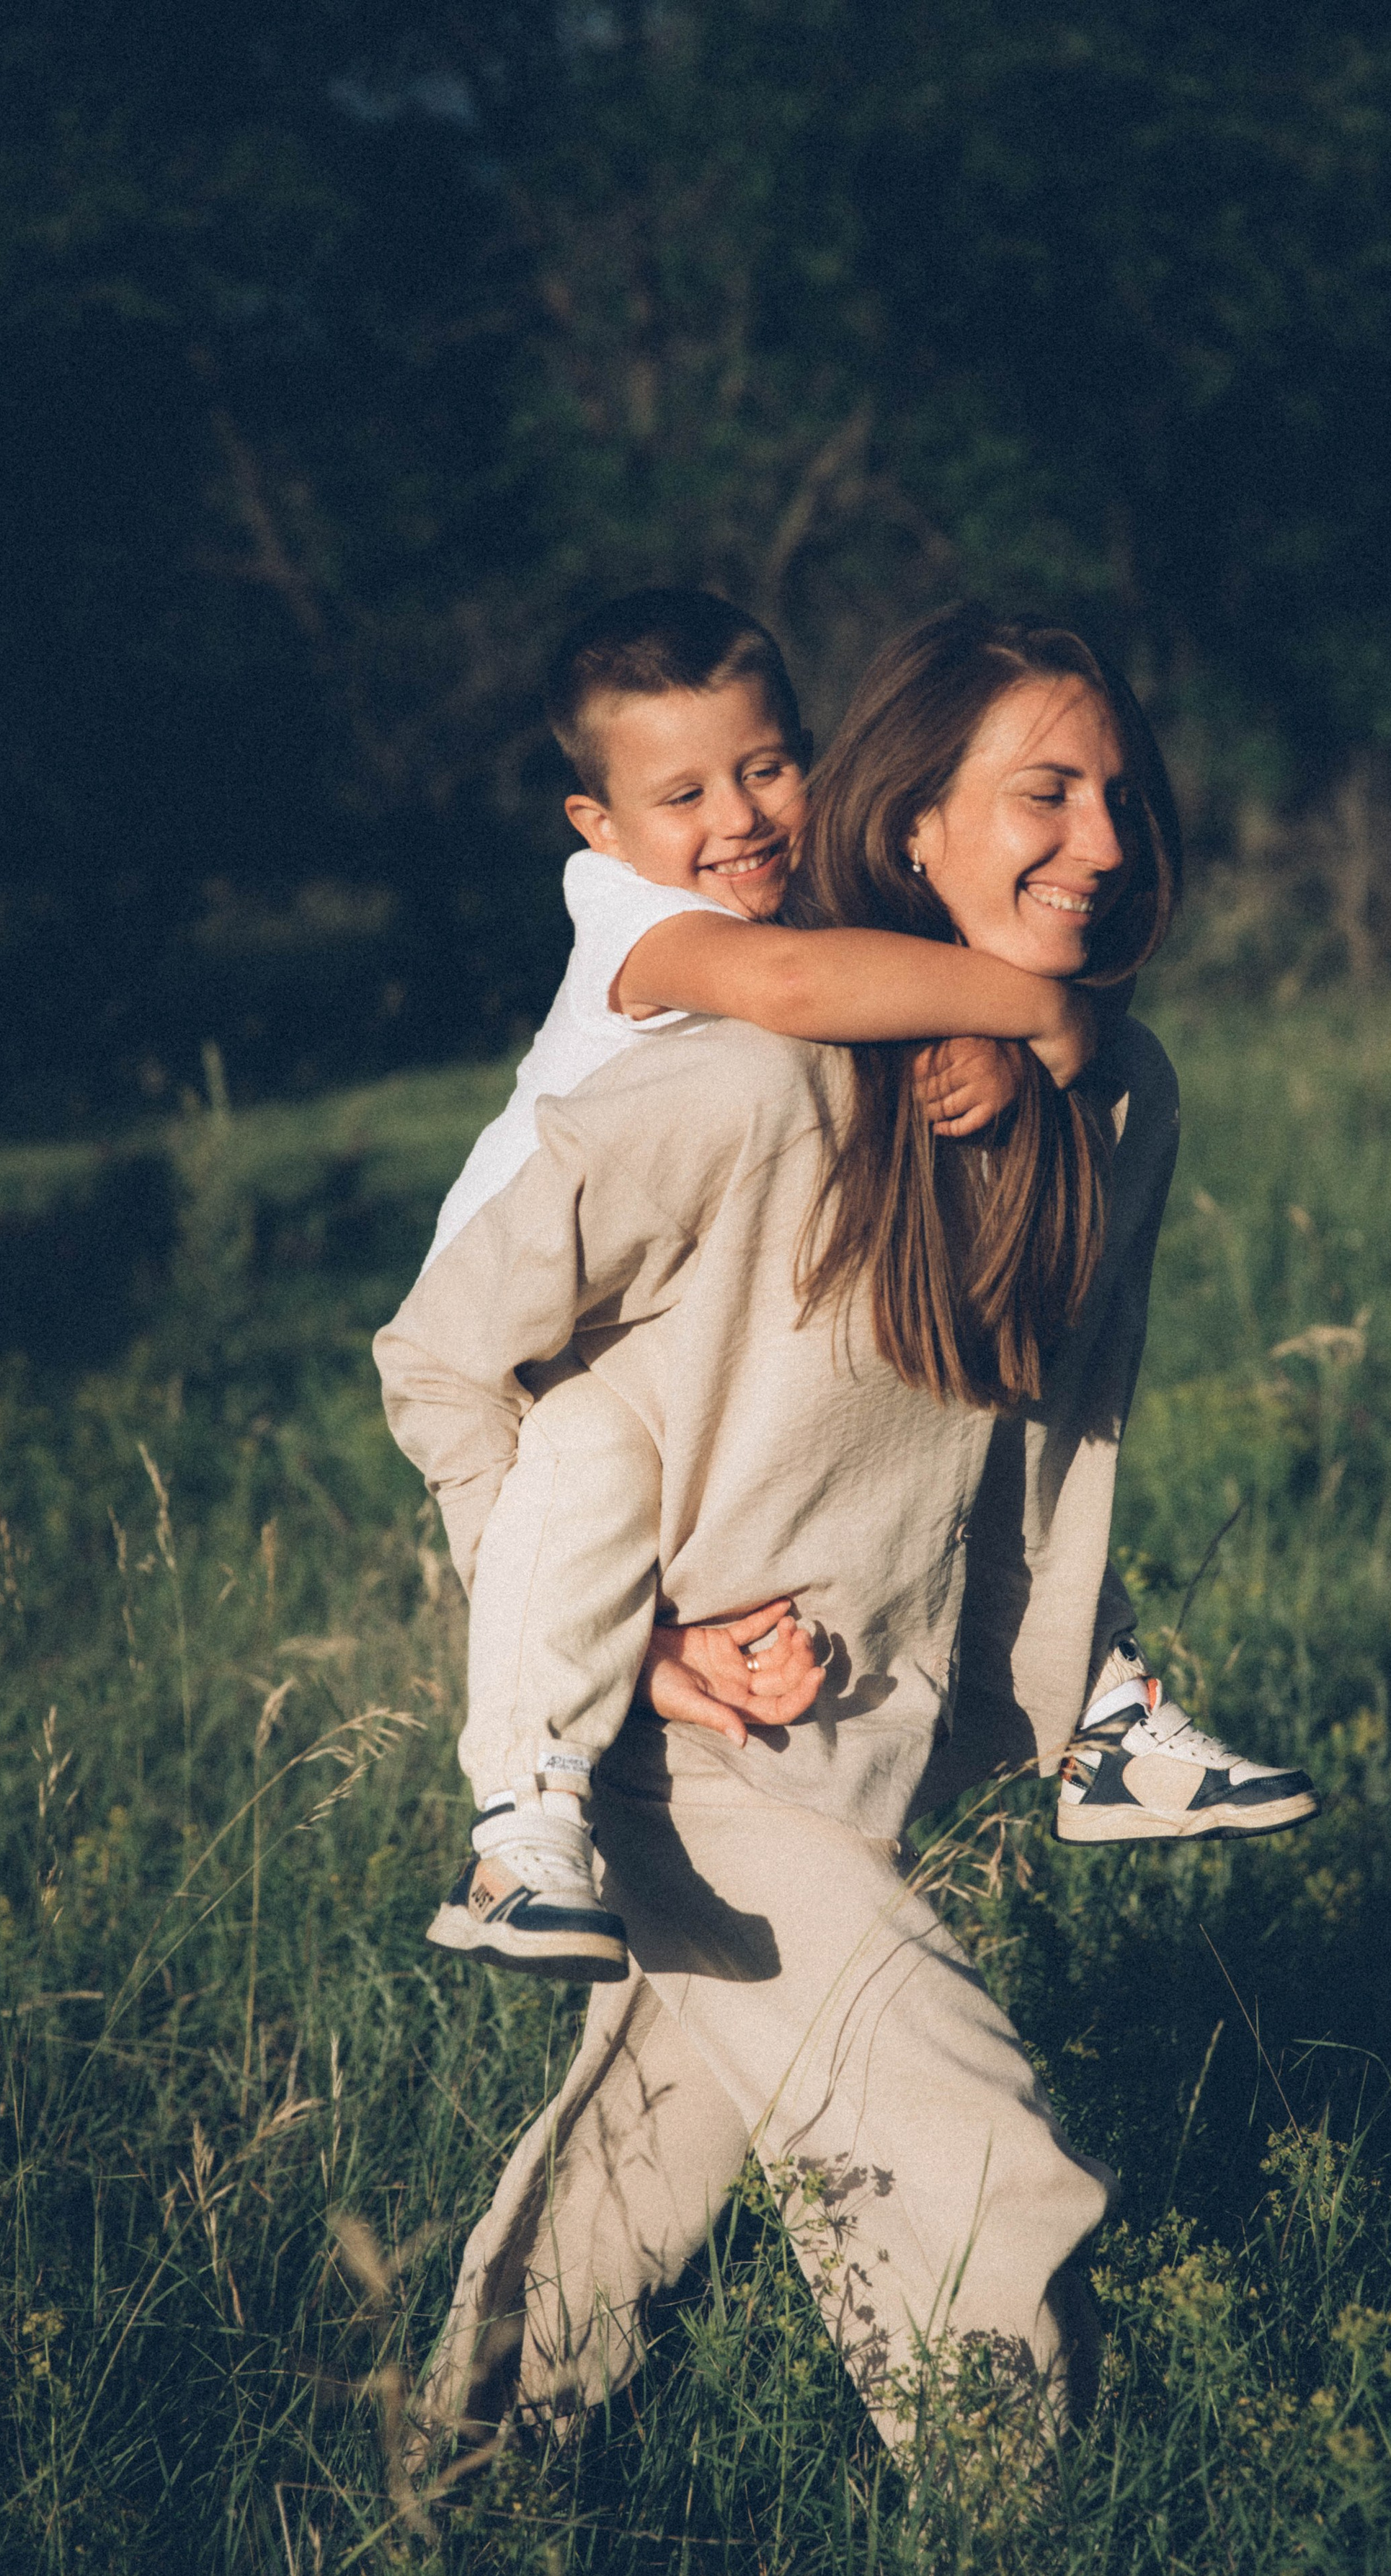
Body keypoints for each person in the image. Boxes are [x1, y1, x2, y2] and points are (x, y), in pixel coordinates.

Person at [375, 606, 1309, 2450]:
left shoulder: (1119, 1093)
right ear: (913, 838)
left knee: (633, 2169)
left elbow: (1064, 1437)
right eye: (1044, 795)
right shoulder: (745, 1075)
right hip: (676, 1748)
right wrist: (617, 1661)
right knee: (983, 2171)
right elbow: (436, 1360)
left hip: (866, 1742)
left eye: (1122, 798)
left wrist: (1054, 1706)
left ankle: (447, 2517)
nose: (1105, 846)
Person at [414, 587, 1118, 1978]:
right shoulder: (638, 923)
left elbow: (870, 990)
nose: (735, 819)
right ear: (597, 830)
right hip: (530, 1315)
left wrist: (1000, 1041)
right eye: (681, 794)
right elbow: (795, 991)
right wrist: (1040, 1011)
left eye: (767, 767)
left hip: (667, 1306)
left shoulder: (800, 895)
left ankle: (1095, 1683)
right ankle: (519, 1829)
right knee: (587, 1469)